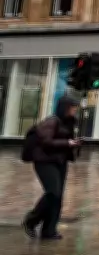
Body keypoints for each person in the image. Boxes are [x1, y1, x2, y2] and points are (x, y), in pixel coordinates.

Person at [22, 96, 81, 240]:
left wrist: (73, 144)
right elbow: (46, 141)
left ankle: (49, 230)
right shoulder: (52, 121)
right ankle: (31, 220)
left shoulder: (69, 123)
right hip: (44, 161)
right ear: (65, 108)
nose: (74, 110)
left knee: (58, 196)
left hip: (60, 161)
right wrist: (67, 143)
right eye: (72, 107)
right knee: (53, 192)